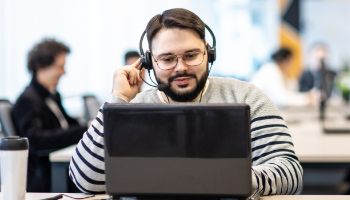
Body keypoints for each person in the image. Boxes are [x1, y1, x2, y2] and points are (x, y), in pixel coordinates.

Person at [68, 8, 303, 196]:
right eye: (167, 59)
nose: (180, 67)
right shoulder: (135, 107)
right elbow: (85, 180)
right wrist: (117, 101)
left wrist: (225, 180)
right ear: (150, 63)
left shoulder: (246, 96)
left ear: (208, 54)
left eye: (191, 55)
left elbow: (289, 172)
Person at [12, 38, 87, 192]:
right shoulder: (27, 100)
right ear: (41, 67)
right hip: (47, 176)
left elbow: (68, 124)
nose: (64, 72)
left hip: (59, 169)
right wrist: (83, 130)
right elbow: (37, 140)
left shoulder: (52, 96)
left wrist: (89, 127)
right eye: (60, 67)